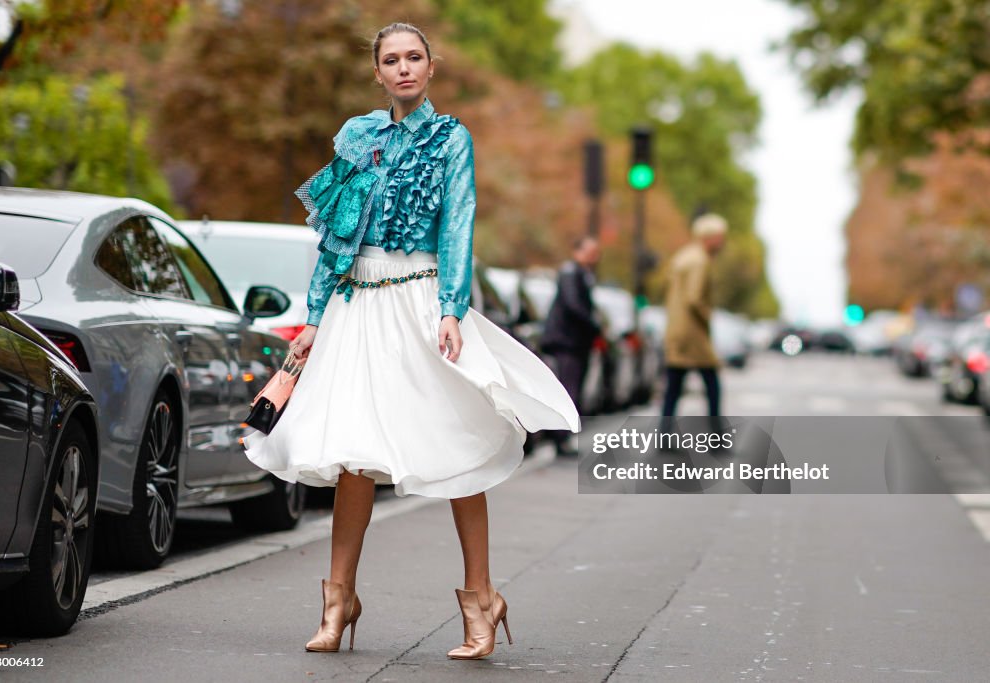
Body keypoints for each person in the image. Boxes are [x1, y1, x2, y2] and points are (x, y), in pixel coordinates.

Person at [241, 22, 579, 661]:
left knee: (454, 443)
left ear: (431, 66)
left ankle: (481, 599)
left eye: (413, 58)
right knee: (352, 455)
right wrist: (313, 317)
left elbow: (459, 222)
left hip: (421, 302)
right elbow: (336, 237)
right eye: (391, 60)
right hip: (354, 308)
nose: (403, 68)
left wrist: (453, 308)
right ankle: (337, 603)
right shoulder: (357, 137)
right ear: (378, 73)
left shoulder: (451, 138)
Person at [661, 213, 727, 418]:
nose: (722, 242)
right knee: (712, 385)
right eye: (720, 237)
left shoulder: (685, 256)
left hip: (677, 331)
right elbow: (694, 297)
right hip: (692, 334)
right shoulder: (700, 261)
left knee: (673, 388)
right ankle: (716, 437)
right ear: (710, 237)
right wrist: (707, 316)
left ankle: (665, 435)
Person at [540, 235, 602, 455]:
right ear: (577, 251)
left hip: (574, 341)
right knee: (568, 389)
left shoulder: (581, 274)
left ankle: (562, 438)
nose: (595, 257)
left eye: (596, 252)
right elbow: (574, 304)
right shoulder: (571, 272)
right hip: (567, 341)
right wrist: (594, 324)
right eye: (590, 251)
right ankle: (559, 438)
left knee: (571, 389)